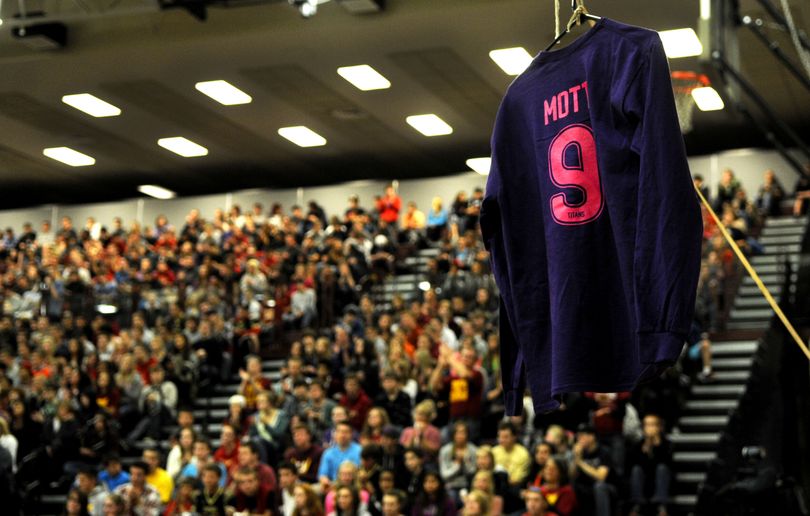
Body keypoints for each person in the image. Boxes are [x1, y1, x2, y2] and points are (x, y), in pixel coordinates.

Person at [627, 414, 673, 516]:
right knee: (636, 469)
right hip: (644, 481)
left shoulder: (667, 444)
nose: (650, 428)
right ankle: (637, 505)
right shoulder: (638, 445)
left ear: (659, 427)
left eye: (653, 425)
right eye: (647, 425)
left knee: (662, 468)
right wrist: (646, 449)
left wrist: (657, 445)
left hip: (661, 481)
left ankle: (661, 506)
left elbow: (668, 464)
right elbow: (634, 465)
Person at [571, 425, 614, 516]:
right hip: (587, 487)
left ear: (592, 437)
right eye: (578, 436)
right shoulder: (581, 453)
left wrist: (580, 463)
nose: (579, 439)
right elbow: (572, 476)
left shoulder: (603, 452)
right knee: (573, 486)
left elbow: (601, 477)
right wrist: (576, 458)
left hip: (607, 487)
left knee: (599, 486)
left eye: (582, 436)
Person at [439, 421, 478, 501]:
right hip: (450, 485)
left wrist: (465, 461)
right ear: (453, 434)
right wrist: (457, 465)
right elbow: (444, 475)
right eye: (457, 432)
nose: (460, 436)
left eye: (463, 432)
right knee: (451, 497)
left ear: (467, 434)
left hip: (468, 485)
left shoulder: (473, 450)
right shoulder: (445, 450)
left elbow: (473, 472)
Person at [318, 422, 362, 490]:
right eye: (339, 432)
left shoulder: (360, 451)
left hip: (355, 484)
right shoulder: (328, 453)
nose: (342, 435)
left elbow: (362, 472)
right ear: (334, 434)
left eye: (346, 432)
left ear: (351, 434)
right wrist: (327, 483)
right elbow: (322, 475)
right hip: (334, 484)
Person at [492, 421, 531, 487]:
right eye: (500, 436)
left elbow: (517, 480)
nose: (502, 440)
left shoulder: (523, 454)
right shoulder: (494, 451)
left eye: (506, 437)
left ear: (514, 437)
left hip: (513, 488)